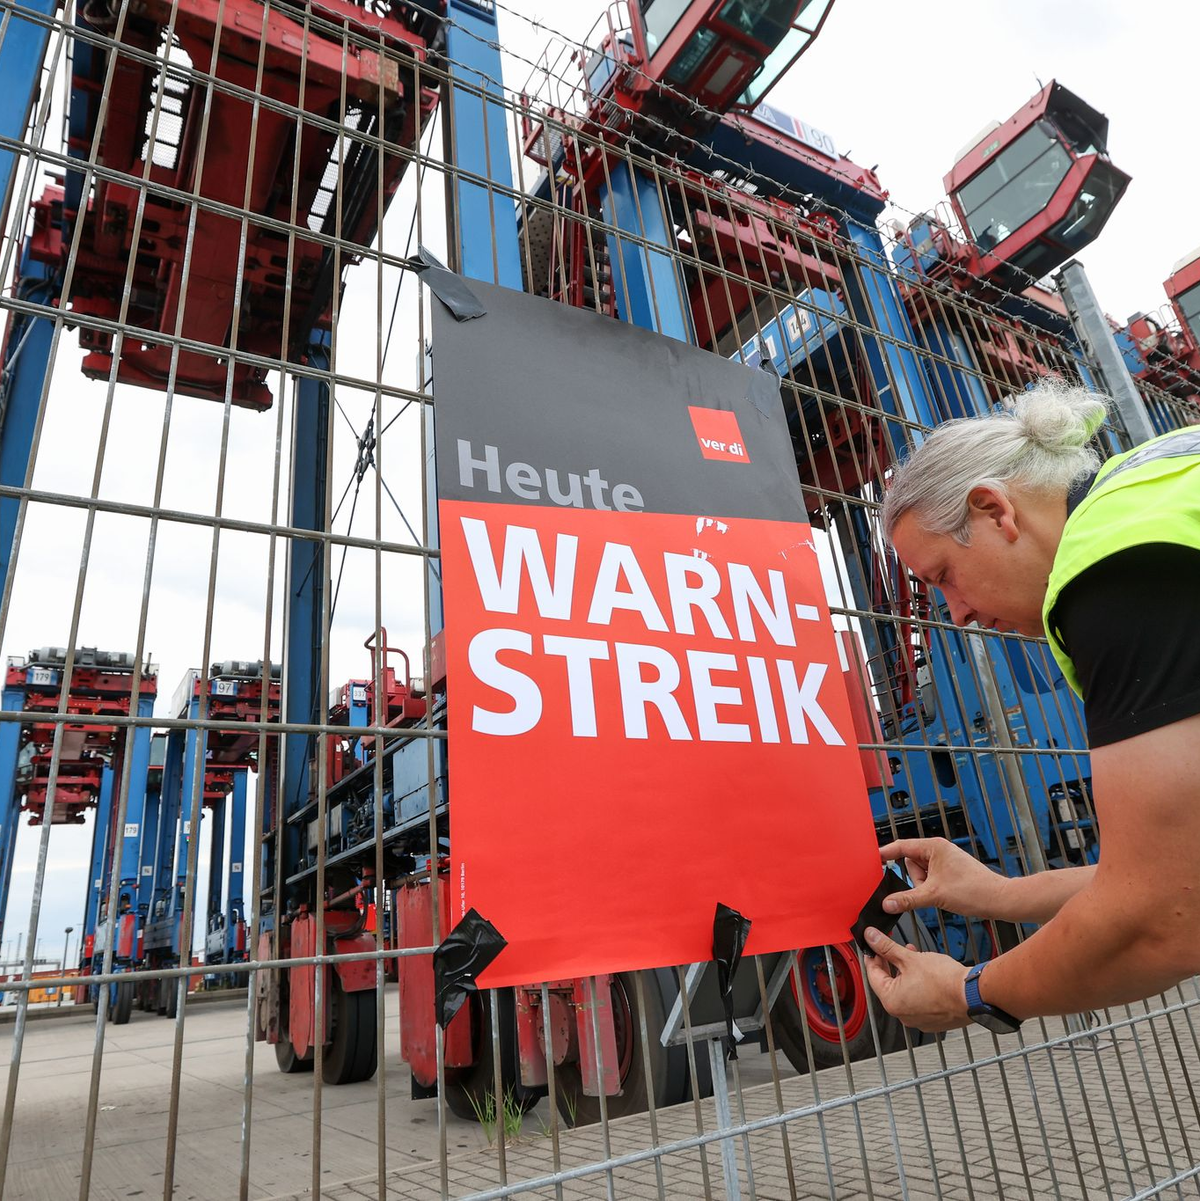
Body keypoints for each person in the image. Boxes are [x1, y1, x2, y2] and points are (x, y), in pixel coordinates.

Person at [860, 379, 1200, 1034]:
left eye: (943, 577)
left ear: (994, 510)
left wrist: (971, 990)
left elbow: (1165, 917)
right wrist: (1000, 894)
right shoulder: (1153, 491)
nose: (956, 614)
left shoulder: (1114, 567)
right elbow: (1177, 875)